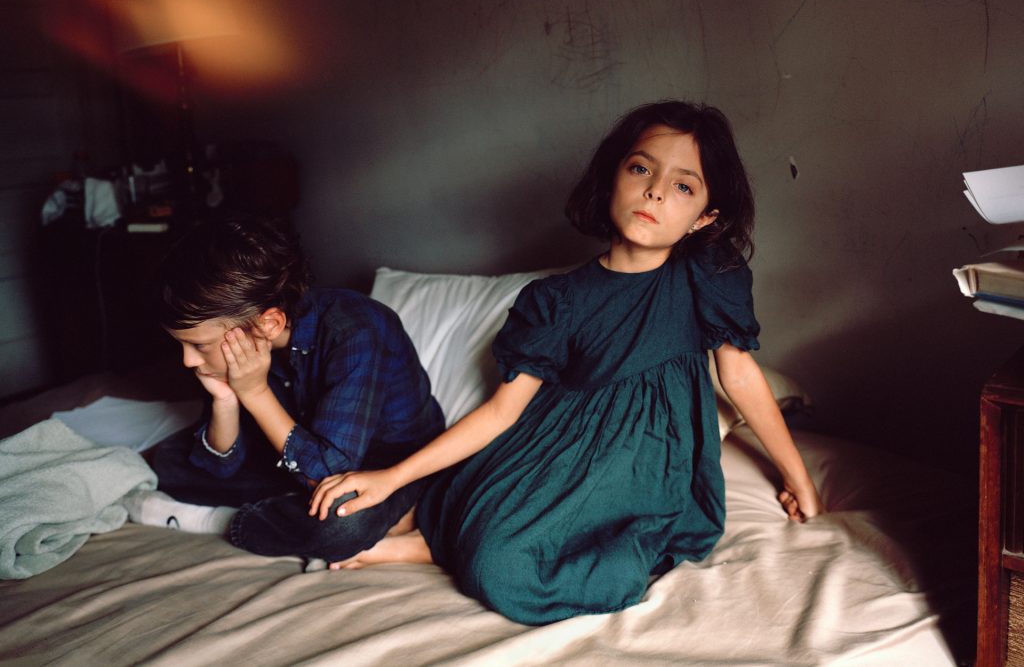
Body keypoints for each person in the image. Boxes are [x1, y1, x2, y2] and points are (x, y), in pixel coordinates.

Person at [308, 100, 824, 623]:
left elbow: (739, 374)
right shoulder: (556, 299)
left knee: (504, 570)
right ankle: (433, 540)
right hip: (546, 448)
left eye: (684, 186)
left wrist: (798, 477)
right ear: (613, 177)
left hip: (642, 463)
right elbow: (503, 412)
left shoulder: (708, 272)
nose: (656, 191)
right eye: (641, 168)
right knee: (462, 506)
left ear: (704, 217)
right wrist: (390, 477)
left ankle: (441, 546)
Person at [127, 215, 446, 564]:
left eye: (200, 346)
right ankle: (297, 512)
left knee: (342, 524)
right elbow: (218, 465)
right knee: (170, 463)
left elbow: (327, 471)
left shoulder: (356, 330)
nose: (188, 361)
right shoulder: (237, 338)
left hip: (381, 462)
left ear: (269, 324)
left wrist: (254, 393)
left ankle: (220, 521)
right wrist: (226, 399)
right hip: (291, 452)